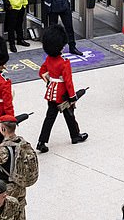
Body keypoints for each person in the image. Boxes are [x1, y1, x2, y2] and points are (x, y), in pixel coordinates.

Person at [36, 24, 88, 152]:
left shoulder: (48, 59)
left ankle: (42, 141)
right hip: (63, 95)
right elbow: (68, 82)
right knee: (70, 115)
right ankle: (75, 135)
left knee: (50, 118)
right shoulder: (64, 62)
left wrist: (49, 81)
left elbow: (42, 72)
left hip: (51, 93)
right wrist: (72, 97)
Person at [0, 115, 39, 220]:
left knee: (6, 214)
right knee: (20, 210)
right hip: (20, 184)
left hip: (7, 188)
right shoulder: (22, 142)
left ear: (3, 129)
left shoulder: (3, 150)